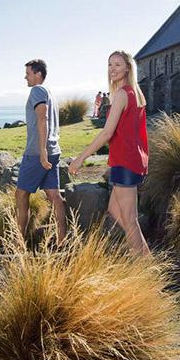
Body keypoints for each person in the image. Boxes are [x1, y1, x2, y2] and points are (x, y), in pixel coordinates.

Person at [69, 51, 150, 255]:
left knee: (130, 221)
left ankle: (146, 267)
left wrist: (80, 158)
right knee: (115, 210)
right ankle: (142, 252)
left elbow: (107, 133)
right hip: (127, 161)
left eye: (118, 65)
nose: (112, 69)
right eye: (110, 65)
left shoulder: (123, 94)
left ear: (127, 68)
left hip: (126, 162)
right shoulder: (133, 93)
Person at [16, 59, 67, 244]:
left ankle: (16, 245)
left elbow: (43, 118)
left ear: (38, 74)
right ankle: (63, 241)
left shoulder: (37, 90)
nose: (25, 77)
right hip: (53, 151)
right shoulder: (50, 93)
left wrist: (42, 150)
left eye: (28, 73)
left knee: (21, 195)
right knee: (54, 195)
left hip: (38, 153)